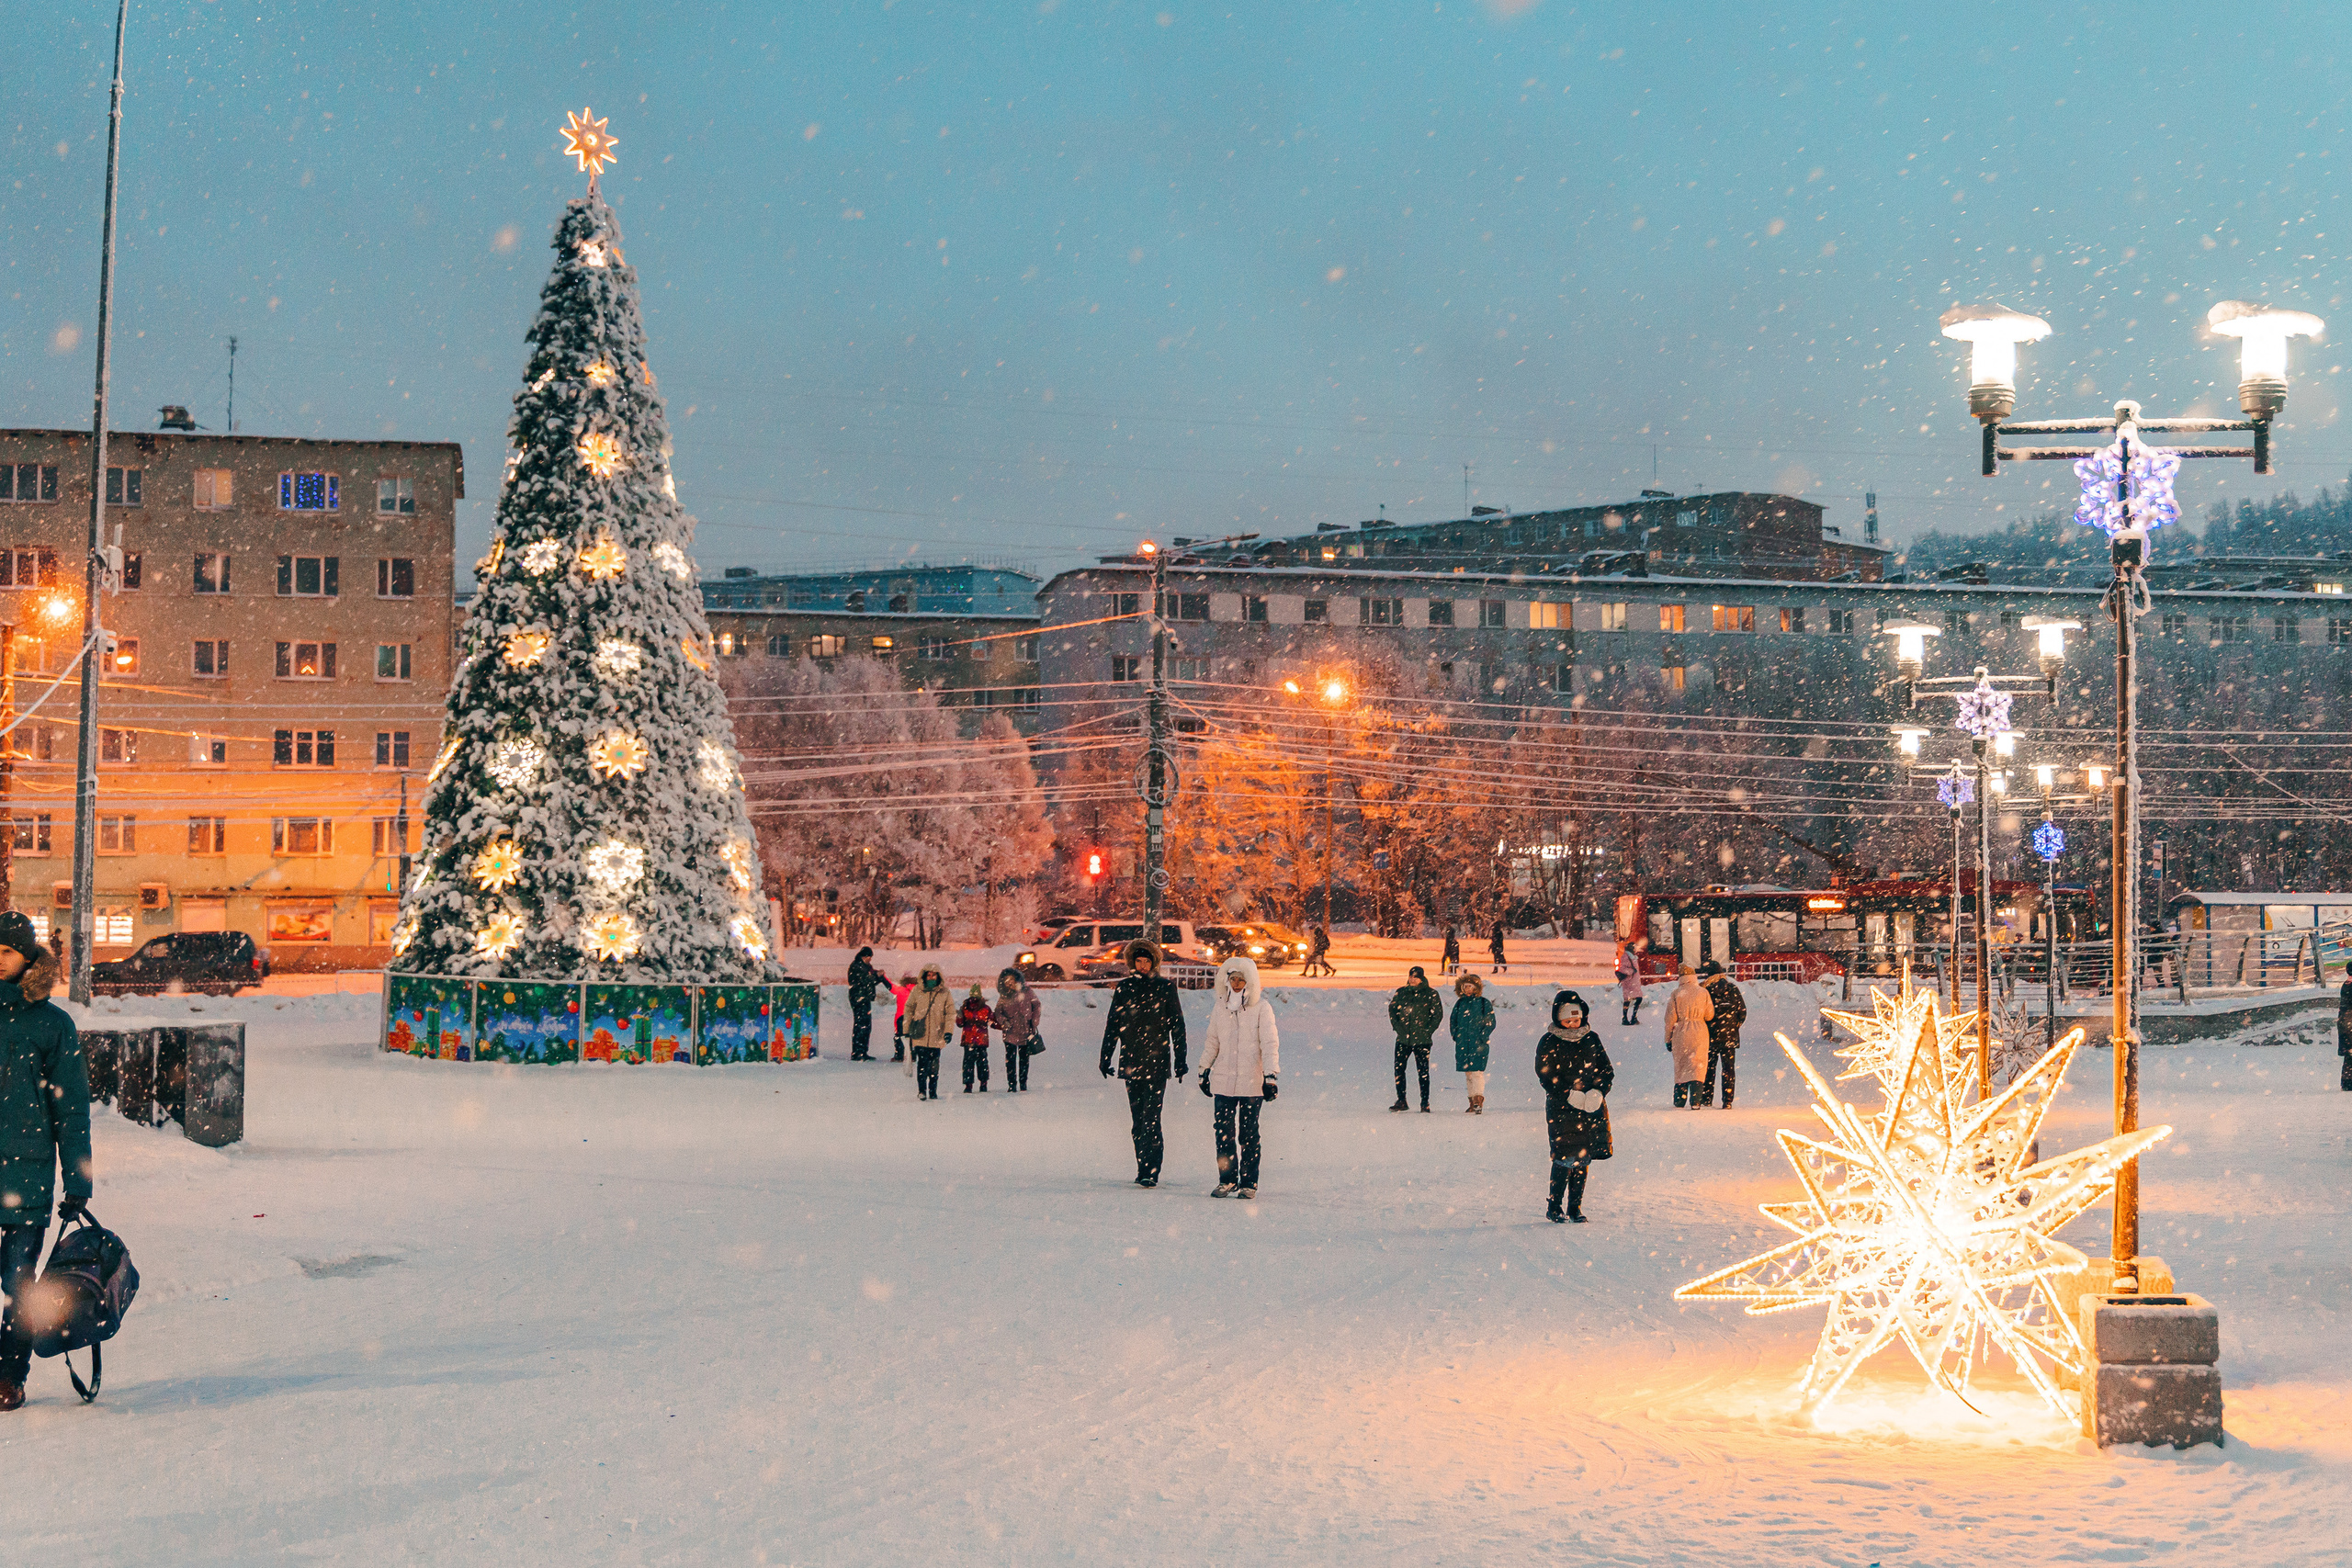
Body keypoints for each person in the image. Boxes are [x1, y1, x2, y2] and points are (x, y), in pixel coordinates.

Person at [0, 914, 90, 1410]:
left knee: (19, 1288)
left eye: (7, 952)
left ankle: (9, 1376)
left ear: (28, 958)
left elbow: (71, 1108)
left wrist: (78, 1182)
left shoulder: (52, 1024)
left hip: (26, 1180)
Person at [1100, 940, 1188, 1188]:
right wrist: (1105, 1056)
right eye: (1138, 961)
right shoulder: (1124, 988)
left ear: (1154, 962)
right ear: (1132, 963)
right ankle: (1142, 1167)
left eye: (1147, 961)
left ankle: (1151, 1170)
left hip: (1157, 1063)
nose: (1142, 965)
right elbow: (1113, 1025)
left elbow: (1177, 1026)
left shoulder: (1165, 988)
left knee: (1152, 1119)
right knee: (1138, 1121)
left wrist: (1180, 1060)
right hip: (1132, 1062)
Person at [1196, 955, 1279, 1198]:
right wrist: (1204, 1069)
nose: (1237, 983)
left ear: (1250, 981)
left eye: (1242, 979)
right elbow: (1212, 1041)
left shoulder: (1261, 1008)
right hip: (1223, 1081)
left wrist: (1270, 1076)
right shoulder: (1220, 1009)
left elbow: (1270, 1043)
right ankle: (1228, 1179)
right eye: (1233, 979)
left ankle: (1249, 1182)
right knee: (1223, 1133)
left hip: (1252, 1083)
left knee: (1249, 1134)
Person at [1535, 989, 1611, 1224]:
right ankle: (1554, 1206)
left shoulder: (1591, 1038)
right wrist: (1568, 1094)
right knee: (1564, 1158)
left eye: (1576, 1020)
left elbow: (1605, 1069)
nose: (1572, 1024)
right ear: (1558, 1018)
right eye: (1567, 1020)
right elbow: (1546, 1073)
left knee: (1583, 1158)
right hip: (1562, 1108)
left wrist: (1598, 1091)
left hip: (1591, 1106)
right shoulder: (1549, 1040)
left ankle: (1575, 1207)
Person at [1387, 964, 1444, 1112]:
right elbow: (1393, 1011)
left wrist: (1427, 1031)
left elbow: (1437, 1015)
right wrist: (1399, 1029)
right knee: (1399, 1069)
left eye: (1416, 977)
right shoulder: (1401, 993)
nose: (1412, 979)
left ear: (1421, 978)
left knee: (1423, 1071)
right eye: (1411, 976)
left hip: (1422, 1040)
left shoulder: (1431, 994)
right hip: (1403, 1039)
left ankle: (1425, 1102)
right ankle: (1401, 1100)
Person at [1663, 963, 1714, 1109]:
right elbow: (1710, 1015)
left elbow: (1669, 1019)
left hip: (1681, 1032)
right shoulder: (1703, 992)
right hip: (1700, 1032)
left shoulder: (1676, 993)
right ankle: (1696, 1101)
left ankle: (1680, 1100)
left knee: (1681, 1065)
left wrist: (1668, 1039)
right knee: (1698, 1065)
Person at [1699, 960, 1747, 1109]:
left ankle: (1707, 1098)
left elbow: (1703, 1014)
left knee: (1709, 1068)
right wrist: (1734, 1026)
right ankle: (1727, 1101)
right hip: (1729, 1037)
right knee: (1728, 1069)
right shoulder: (1732, 988)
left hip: (1711, 1035)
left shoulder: (1705, 990)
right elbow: (1742, 1012)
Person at [903, 964, 954, 1101]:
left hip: (937, 1035)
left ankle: (933, 1090)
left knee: (934, 1066)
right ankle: (922, 1090)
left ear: (938, 976)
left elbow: (950, 1013)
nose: (931, 977)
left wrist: (948, 1031)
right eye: (929, 975)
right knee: (922, 1064)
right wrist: (906, 1029)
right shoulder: (917, 991)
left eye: (934, 975)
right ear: (924, 977)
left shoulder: (945, 993)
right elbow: (909, 1009)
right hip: (920, 1034)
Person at [1449, 971, 1494, 1113]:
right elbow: (1453, 1021)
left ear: (1476, 988)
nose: (1468, 989)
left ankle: (1478, 1100)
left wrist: (1482, 1036)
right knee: (1468, 1073)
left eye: (1470, 986)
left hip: (1478, 1044)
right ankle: (1471, 1100)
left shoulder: (1483, 1003)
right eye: (1465, 986)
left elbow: (1490, 1022)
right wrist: (1456, 1035)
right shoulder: (1460, 1003)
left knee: (1477, 1072)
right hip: (1463, 1044)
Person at [993, 967, 1040, 1093]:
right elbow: (998, 1012)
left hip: (1026, 1031)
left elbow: (1036, 1006)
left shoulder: (1028, 992)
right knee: (1011, 1060)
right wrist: (1004, 1021)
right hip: (1010, 1033)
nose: (1010, 983)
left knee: (1024, 1060)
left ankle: (1023, 1083)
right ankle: (1012, 1084)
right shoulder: (1004, 996)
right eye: (1007, 981)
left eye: (1012, 980)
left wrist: (1034, 1022)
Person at [845, 946, 885, 1061]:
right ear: (864, 956)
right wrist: (877, 976)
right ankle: (857, 1052)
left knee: (866, 1026)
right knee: (861, 1025)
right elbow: (866, 980)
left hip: (864, 998)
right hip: (859, 999)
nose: (870, 960)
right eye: (869, 957)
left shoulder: (865, 967)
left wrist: (878, 976)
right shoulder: (856, 966)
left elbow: (870, 980)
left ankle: (863, 1051)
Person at [956, 982, 995, 1093]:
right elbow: (992, 1021)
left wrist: (960, 1017)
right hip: (980, 1040)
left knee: (969, 1063)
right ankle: (982, 1084)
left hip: (970, 1040)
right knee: (981, 1063)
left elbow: (959, 1024)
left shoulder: (965, 1007)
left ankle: (969, 1085)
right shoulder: (985, 1008)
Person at [1615, 935, 1648, 1027]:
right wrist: (1631, 972)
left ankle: (1631, 1017)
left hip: (1634, 982)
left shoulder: (1632, 957)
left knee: (1636, 999)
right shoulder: (1626, 957)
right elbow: (1622, 969)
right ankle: (1627, 1018)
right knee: (1629, 1000)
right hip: (1629, 982)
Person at [890, 971, 918, 1064]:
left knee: (899, 1036)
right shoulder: (917, 990)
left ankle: (899, 1056)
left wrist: (882, 977)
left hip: (901, 1016)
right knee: (912, 1036)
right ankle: (913, 1056)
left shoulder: (900, 989)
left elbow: (890, 986)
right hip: (913, 1017)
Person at [2339, 964, 2352, 1092]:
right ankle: (2348, 1082)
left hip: (2346, 1024)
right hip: (2349, 1024)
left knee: (2349, 1055)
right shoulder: (2349, 987)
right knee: (2350, 1054)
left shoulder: (2346, 985)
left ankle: (2347, 1082)